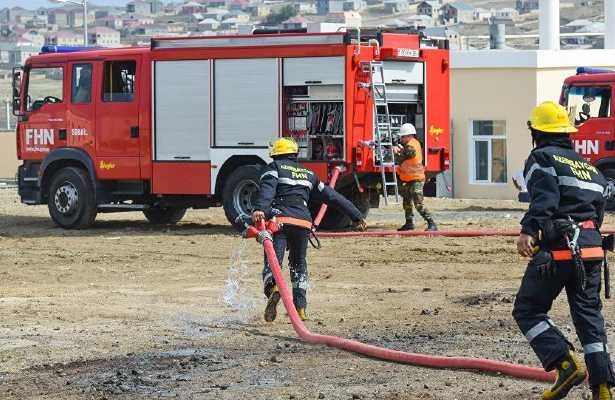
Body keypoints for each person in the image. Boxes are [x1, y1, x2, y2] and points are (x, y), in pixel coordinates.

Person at [512, 101, 614, 400]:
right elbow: (597, 214)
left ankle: (565, 363)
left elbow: (545, 199)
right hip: (592, 250)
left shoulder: (541, 158)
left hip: (559, 249)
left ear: (536, 131)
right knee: (589, 317)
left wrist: (529, 230)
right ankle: (604, 387)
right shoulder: (590, 169)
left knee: (528, 310)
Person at [252, 137, 367, 322]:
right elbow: (332, 196)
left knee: (273, 261)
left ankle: (273, 288)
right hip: (303, 224)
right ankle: (300, 308)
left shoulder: (274, 168)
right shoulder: (308, 174)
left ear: (276, 154)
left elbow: (267, 191)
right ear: (294, 154)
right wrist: (356, 215)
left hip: (279, 221)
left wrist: (260, 209)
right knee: (298, 265)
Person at [392, 123, 437, 231]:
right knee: (406, 202)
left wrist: (395, 152)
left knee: (418, 204)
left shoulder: (412, 146)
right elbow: (405, 153)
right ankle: (409, 223)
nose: (401, 139)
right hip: (408, 180)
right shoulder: (410, 145)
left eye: (403, 136)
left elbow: (400, 159)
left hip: (416, 179)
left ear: (410, 135)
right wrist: (399, 150)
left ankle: (432, 223)